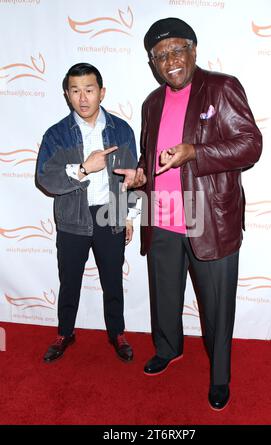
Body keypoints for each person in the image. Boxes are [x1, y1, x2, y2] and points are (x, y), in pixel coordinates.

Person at [114, 18, 262, 410]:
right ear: (152, 63)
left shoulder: (221, 87)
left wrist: (196, 151)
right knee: (164, 295)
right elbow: (154, 160)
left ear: (194, 50)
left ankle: (219, 376)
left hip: (208, 218)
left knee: (216, 305)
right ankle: (167, 348)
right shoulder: (151, 103)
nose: (170, 60)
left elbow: (250, 145)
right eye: (160, 56)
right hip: (161, 216)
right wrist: (139, 177)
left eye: (177, 50)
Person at [36, 63, 138, 364]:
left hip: (110, 215)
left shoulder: (121, 130)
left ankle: (117, 332)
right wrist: (82, 169)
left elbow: (130, 177)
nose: (83, 98)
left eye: (89, 90)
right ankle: (65, 333)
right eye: (76, 90)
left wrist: (129, 215)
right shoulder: (56, 135)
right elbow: (45, 177)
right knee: (69, 281)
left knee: (112, 280)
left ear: (101, 92)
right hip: (72, 217)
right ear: (67, 94)